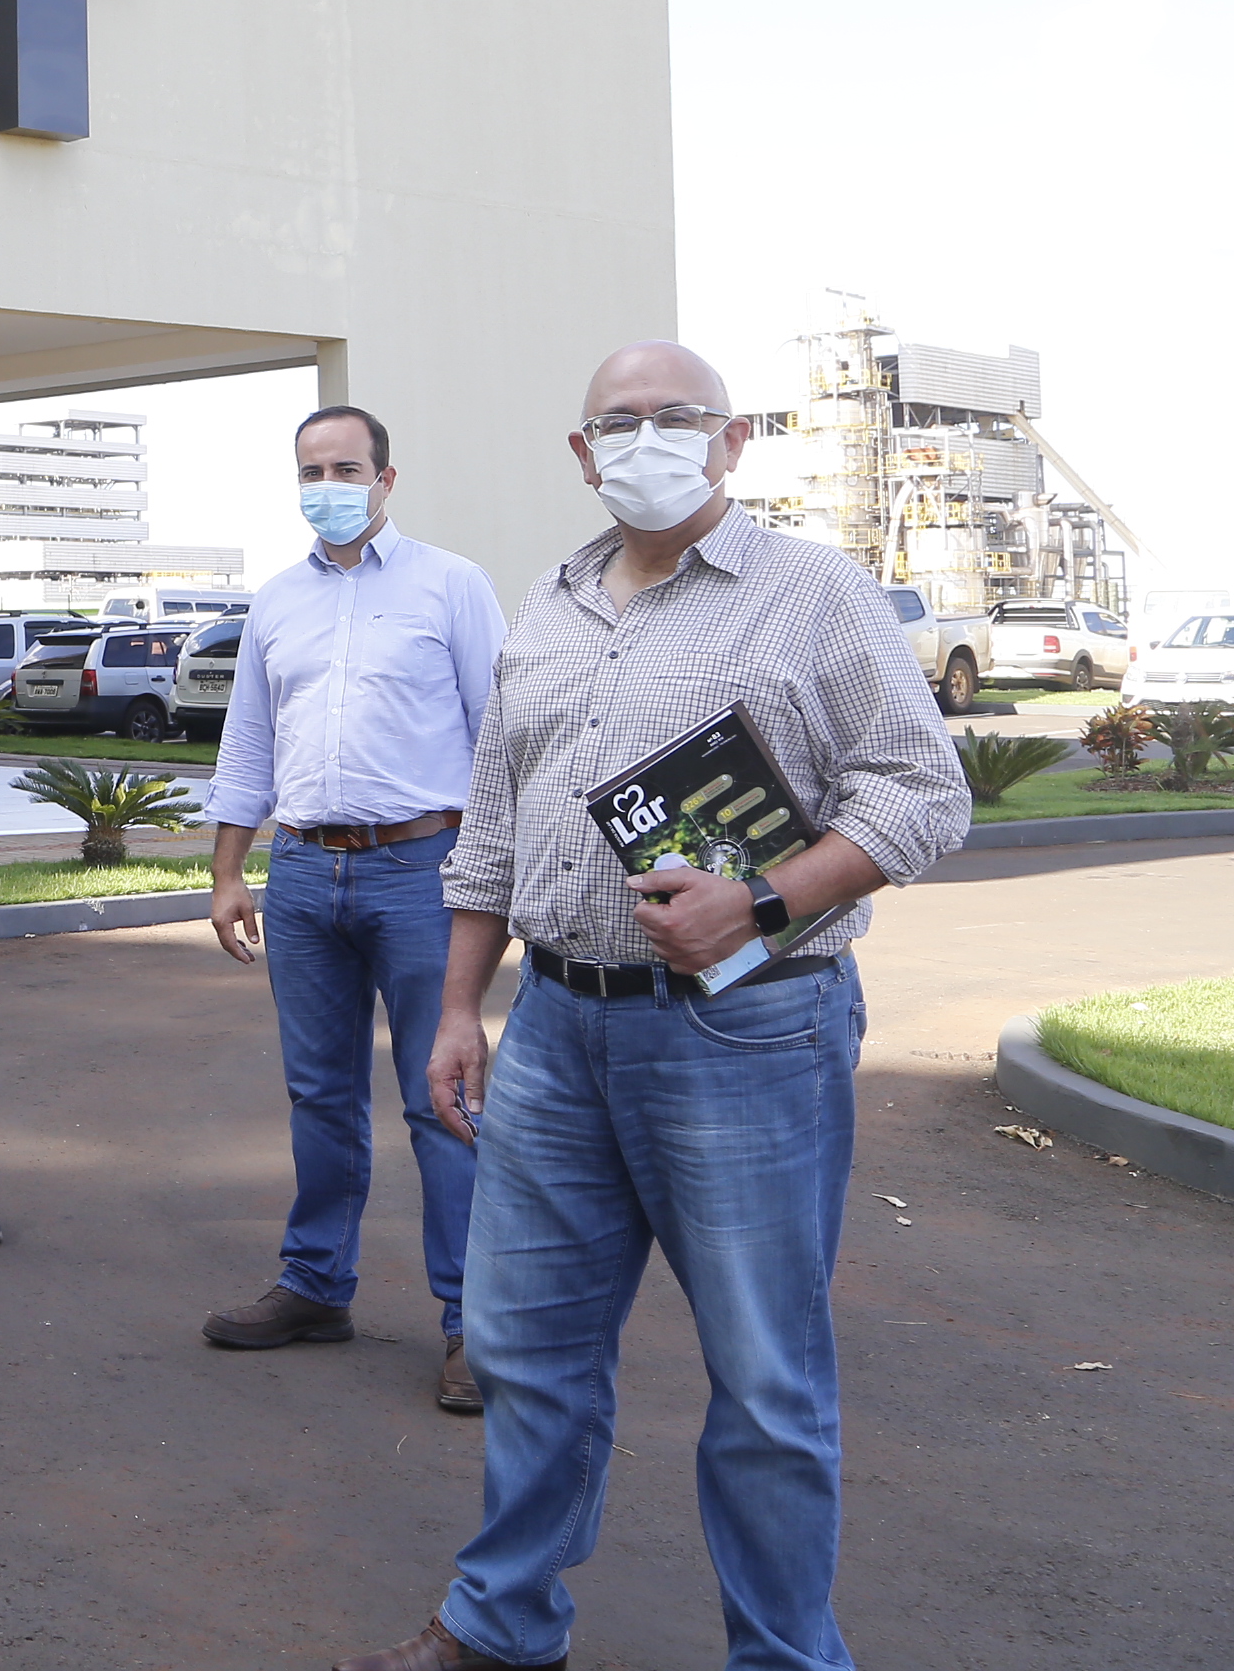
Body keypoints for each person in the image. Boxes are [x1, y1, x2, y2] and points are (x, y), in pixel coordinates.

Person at [334, 342, 968, 1671]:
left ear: (731, 442)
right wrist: (459, 1010)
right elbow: (492, 833)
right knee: (522, 1347)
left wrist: (767, 900)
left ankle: (786, 1657)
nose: (646, 439)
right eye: (617, 423)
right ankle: (503, 1628)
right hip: (558, 1029)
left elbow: (921, 791)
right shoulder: (552, 607)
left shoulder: (812, 595)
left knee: (764, 1382)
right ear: (580, 455)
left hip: (748, 1029)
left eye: (676, 417)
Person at [197, 405, 507, 1411]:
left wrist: (491, 879)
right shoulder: (278, 601)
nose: (327, 481)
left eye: (346, 466)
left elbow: (498, 740)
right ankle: (315, 1284)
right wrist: (227, 868)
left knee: (443, 1098)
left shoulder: (451, 585)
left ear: (386, 478)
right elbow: (249, 740)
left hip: (422, 869)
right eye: (310, 468)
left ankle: (472, 1326)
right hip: (301, 877)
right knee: (319, 1095)